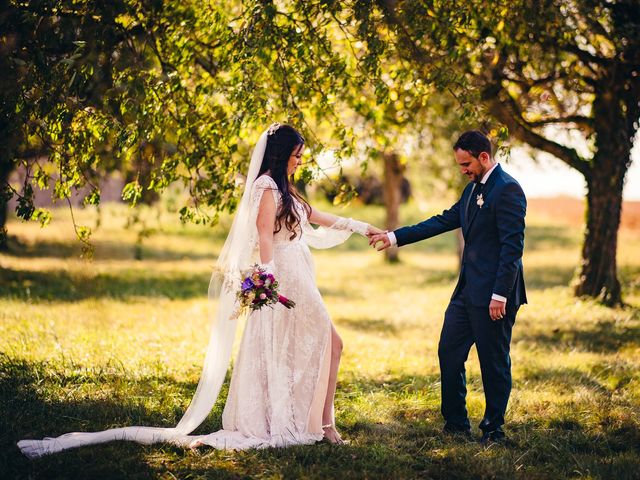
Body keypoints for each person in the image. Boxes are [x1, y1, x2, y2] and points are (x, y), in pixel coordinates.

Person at [18, 123, 383, 457]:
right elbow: (263, 236)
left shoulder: (285, 188)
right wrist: (267, 280)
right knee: (329, 343)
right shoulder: (266, 187)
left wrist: (361, 226)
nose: (300, 161)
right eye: (296, 155)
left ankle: (321, 424)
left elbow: (315, 216)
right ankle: (323, 427)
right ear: (280, 154)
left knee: (322, 345)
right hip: (287, 278)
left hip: (301, 273)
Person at [369, 130, 527, 443]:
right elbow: (441, 221)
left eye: (466, 164)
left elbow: (512, 247)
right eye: (459, 165)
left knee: (493, 362)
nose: (463, 170)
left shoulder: (508, 190)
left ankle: (493, 430)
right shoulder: (470, 191)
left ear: (484, 157)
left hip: (495, 294)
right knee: (449, 352)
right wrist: (394, 237)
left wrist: (500, 295)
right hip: (467, 292)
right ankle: (456, 424)